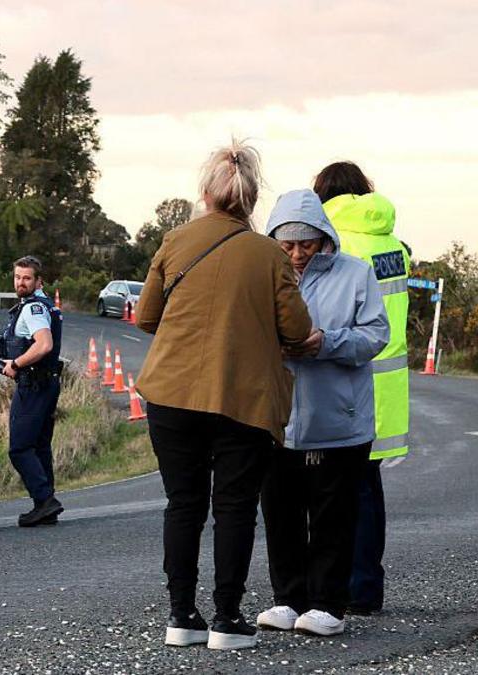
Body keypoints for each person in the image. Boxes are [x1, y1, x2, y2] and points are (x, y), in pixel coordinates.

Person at [134, 140, 313, 651]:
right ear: (251, 201)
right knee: (233, 506)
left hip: (170, 393)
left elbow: (147, 317)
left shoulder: (174, 241)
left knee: (182, 504)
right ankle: (227, 619)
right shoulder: (268, 254)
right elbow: (297, 328)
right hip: (242, 398)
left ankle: (181, 617)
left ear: (206, 195)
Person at [256, 189, 389, 637]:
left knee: (333, 515)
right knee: (280, 513)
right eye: (287, 244)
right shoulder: (260, 274)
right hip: (277, 418)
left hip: (339, 419)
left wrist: (325, 342)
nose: (297, 254)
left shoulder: (356, 274)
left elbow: (375, 335)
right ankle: (287, 599)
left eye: (307, 244)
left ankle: (328, 603)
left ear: (325, 239)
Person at [314, 161, 410, 615]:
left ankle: (350, 587)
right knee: (367, 488)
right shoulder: (393, 244)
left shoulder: (339, 244)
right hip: (390, 383)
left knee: (341, 490)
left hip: (352, 378)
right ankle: (368, 584)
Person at [0, 255, 65, 527]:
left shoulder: (34, 308)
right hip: (46, 382)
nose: (20, 282)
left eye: (26, 278)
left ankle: (45, 499)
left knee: (20, 448)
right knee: (39, 446)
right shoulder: (40, 305)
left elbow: (44, 344)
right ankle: (44, 504)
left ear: (38, 281)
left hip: (35, 384)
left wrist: (16, 363)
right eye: (17, 277)